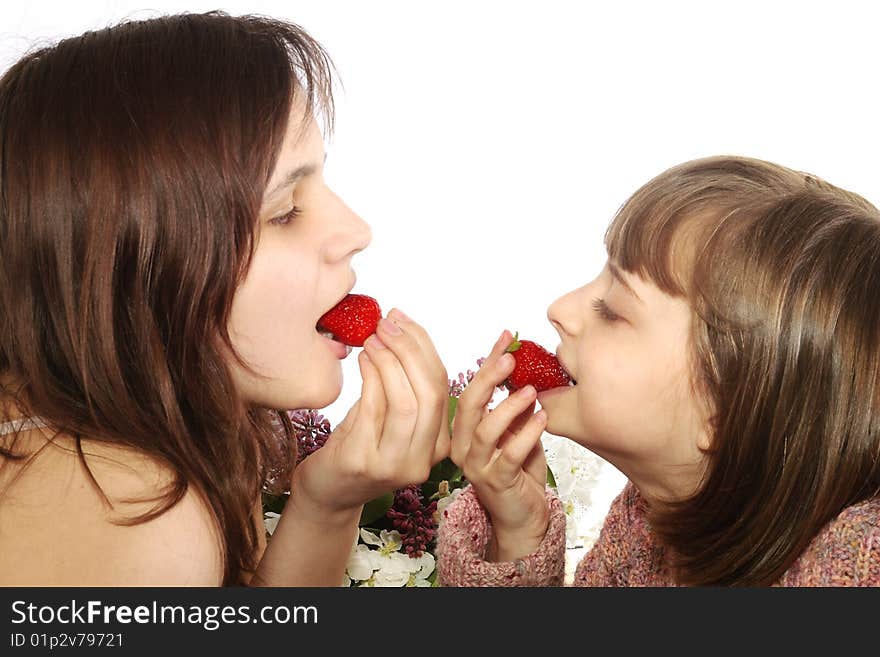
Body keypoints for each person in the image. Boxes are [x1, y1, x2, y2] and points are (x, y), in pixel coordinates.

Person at [0, 11, 450, 586]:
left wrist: (328, 502)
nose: (356, 229)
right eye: (285, 211)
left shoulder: (93, 445)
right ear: (142, 270)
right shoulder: (139, 517)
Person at [437, 155, 880, 586]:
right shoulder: (642, 527)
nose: (560, 309)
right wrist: (519, 532)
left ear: (723, 415)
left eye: (612, 310)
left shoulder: (857, 565)